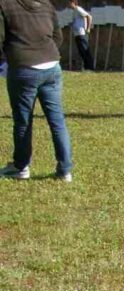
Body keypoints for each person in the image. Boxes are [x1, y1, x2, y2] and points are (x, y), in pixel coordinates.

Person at [0, 0, 73, 181]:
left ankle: (21, 167)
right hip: (51, 65)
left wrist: (7, 61)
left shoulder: (4, 5)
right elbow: (58, 36)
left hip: (23, 67)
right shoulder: (46, 4)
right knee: (57, 120)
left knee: (23, 121)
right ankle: (65, 170)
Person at [69, 0, 94, 71]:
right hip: (77, 34)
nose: (68, 5)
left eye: (69, 3)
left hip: (81, 33)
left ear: (73, 2)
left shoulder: (78, 9)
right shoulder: (74, 11)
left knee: (85, 50)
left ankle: (90, 68)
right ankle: (86, 68)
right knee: (81, 52)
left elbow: (89, 16)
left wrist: (88, 28)